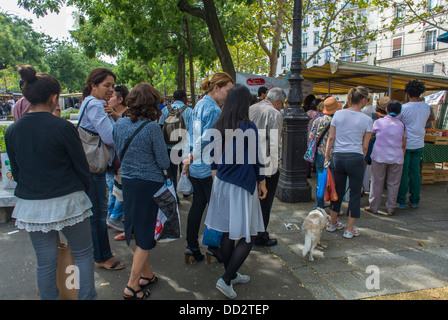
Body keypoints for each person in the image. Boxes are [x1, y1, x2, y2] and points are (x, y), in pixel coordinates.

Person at [6, 65, 96, 299]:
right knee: (83, 254)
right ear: (54, 97)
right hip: (69, 198)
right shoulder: (63, 127)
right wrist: (82, 191)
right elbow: (81, 167)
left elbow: (16, 172)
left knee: (45, 262)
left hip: (33, 205)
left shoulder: (13, 130)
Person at [205, 84, 267, 299]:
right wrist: (263, 182)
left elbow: (212, 156)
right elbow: (256, 158)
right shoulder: (247, 127)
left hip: (222, 183)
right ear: (245, 103)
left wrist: (216, 176)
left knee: (228, 232)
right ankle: (226, 278)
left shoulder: (219, 124)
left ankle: (230, 275)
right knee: (248, 234)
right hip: (242, 184)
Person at [113, 82, 170, 300]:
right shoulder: (152, 128)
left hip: (128, 182)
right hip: (149, 185)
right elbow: (164, 162)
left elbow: (118, 151)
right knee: (146, 236)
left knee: (138, 229)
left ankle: (146, 275)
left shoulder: (119, 124)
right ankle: (131, 286)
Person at [184, 72, 234, 263]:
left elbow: (192, 134)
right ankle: (213, 247)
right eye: (227, 91)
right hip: (207, 165)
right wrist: (193, 155)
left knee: (198, 205)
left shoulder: (200, 104)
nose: (228, 95)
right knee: (216, 209)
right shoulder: (213, 109)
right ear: (216, 88)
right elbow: (206, 138)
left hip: (197, 165)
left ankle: (192, 245)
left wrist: (189, 158)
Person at [79, 68, 124, 271]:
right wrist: (117, 118)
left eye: (113, 86)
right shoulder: (96, 104)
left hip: (89, 164)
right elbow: (110, 138)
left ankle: (100, 252)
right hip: (93, 166)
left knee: (96, 211)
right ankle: (102, 256)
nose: (111, 90)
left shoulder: (89, 102)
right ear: (93, 85)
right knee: (98, 213)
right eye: (107, 85)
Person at [324, 86, 373, 239]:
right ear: (363, 100)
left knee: (336, 191)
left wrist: (327, 156)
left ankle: (333, 223)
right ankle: (349, 229)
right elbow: (366, 145)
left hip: (338, 156)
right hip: (356, 157)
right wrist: (361, 156)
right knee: (355, 193)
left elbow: (331, 138)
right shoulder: (367, 119)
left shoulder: (338, 114)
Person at [249, 87, 285, 247]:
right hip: (266, 164)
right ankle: (260, 235)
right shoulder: (275, 114)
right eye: (282, 104)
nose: (282, 107)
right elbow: (275, 144)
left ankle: (249, 232)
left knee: (250, 200)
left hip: (247, 162)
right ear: (277, 102)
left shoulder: (250, 109)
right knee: (265, 201)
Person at [364, 100, 407, 216]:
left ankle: (374, 207)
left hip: (379, 156)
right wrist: (401, 155)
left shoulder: (378, 122)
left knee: (376, 182)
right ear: (399, 112)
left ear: (387, 109)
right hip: (397, 157)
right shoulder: (402, 125)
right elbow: (404, 144)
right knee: (393, 183)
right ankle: (390, 208)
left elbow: (370, 135)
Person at [396, 80, 432, 209]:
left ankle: (401, 200)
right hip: (419, 143)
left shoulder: (404, 108)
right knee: (415, 172)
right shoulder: (426, 107)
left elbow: (397, 123)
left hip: (405, 144)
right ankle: (415, 199)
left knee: (404, 172)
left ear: (407, 93)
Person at [308, 97, 342, 208]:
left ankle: (319, 206)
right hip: (336, 154)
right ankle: (334, 206)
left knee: (320, 181)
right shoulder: (337, 121)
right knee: (334, 181)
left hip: (321, 154)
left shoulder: (318, 120)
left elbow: (311, 136)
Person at [105, 85, 130, 233]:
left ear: (120, 99)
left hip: (123, 160)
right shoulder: (108, 114)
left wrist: (115, 116)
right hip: (113, 160)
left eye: (112, 96)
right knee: (115, 189)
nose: (109, 98)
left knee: (120, 188)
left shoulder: (127, 114)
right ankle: (112, 216)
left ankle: (115, 216)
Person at [159, 89, 193, 193]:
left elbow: (160, 126)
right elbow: (192, 131)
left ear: (173, 98)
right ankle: (186, 191)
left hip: (169, 146)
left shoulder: (165, 110)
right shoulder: (189, 111)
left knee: (171, 173)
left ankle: (173, 195)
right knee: (184, 169)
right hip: (183, 147)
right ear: (184, 98)